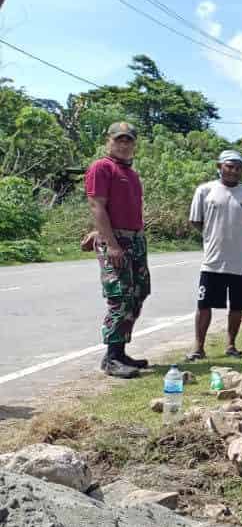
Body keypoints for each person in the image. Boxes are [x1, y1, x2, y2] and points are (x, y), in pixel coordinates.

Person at [187, 150, 242, 360]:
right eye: (229, 166)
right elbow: (197, 221)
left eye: (238, 167)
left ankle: (231, 345)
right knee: (204, 305)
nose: (233, 171)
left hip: (241, 262)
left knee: (237, 306)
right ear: (219, 166)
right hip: (212, 262)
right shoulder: (204, 191)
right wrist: (212, 235)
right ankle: (198, 347)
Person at [86, 121, 151, 379]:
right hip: (118, 242)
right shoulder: (102, 168)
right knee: (120, 296)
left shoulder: (131, 174)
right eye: (119, 140)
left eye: (128, 140)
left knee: (138, 293)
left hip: (135, 240)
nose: (124, 145)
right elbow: (97, 207)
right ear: (108, 141)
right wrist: (110, 243)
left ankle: (121, 351)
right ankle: (111, 358)